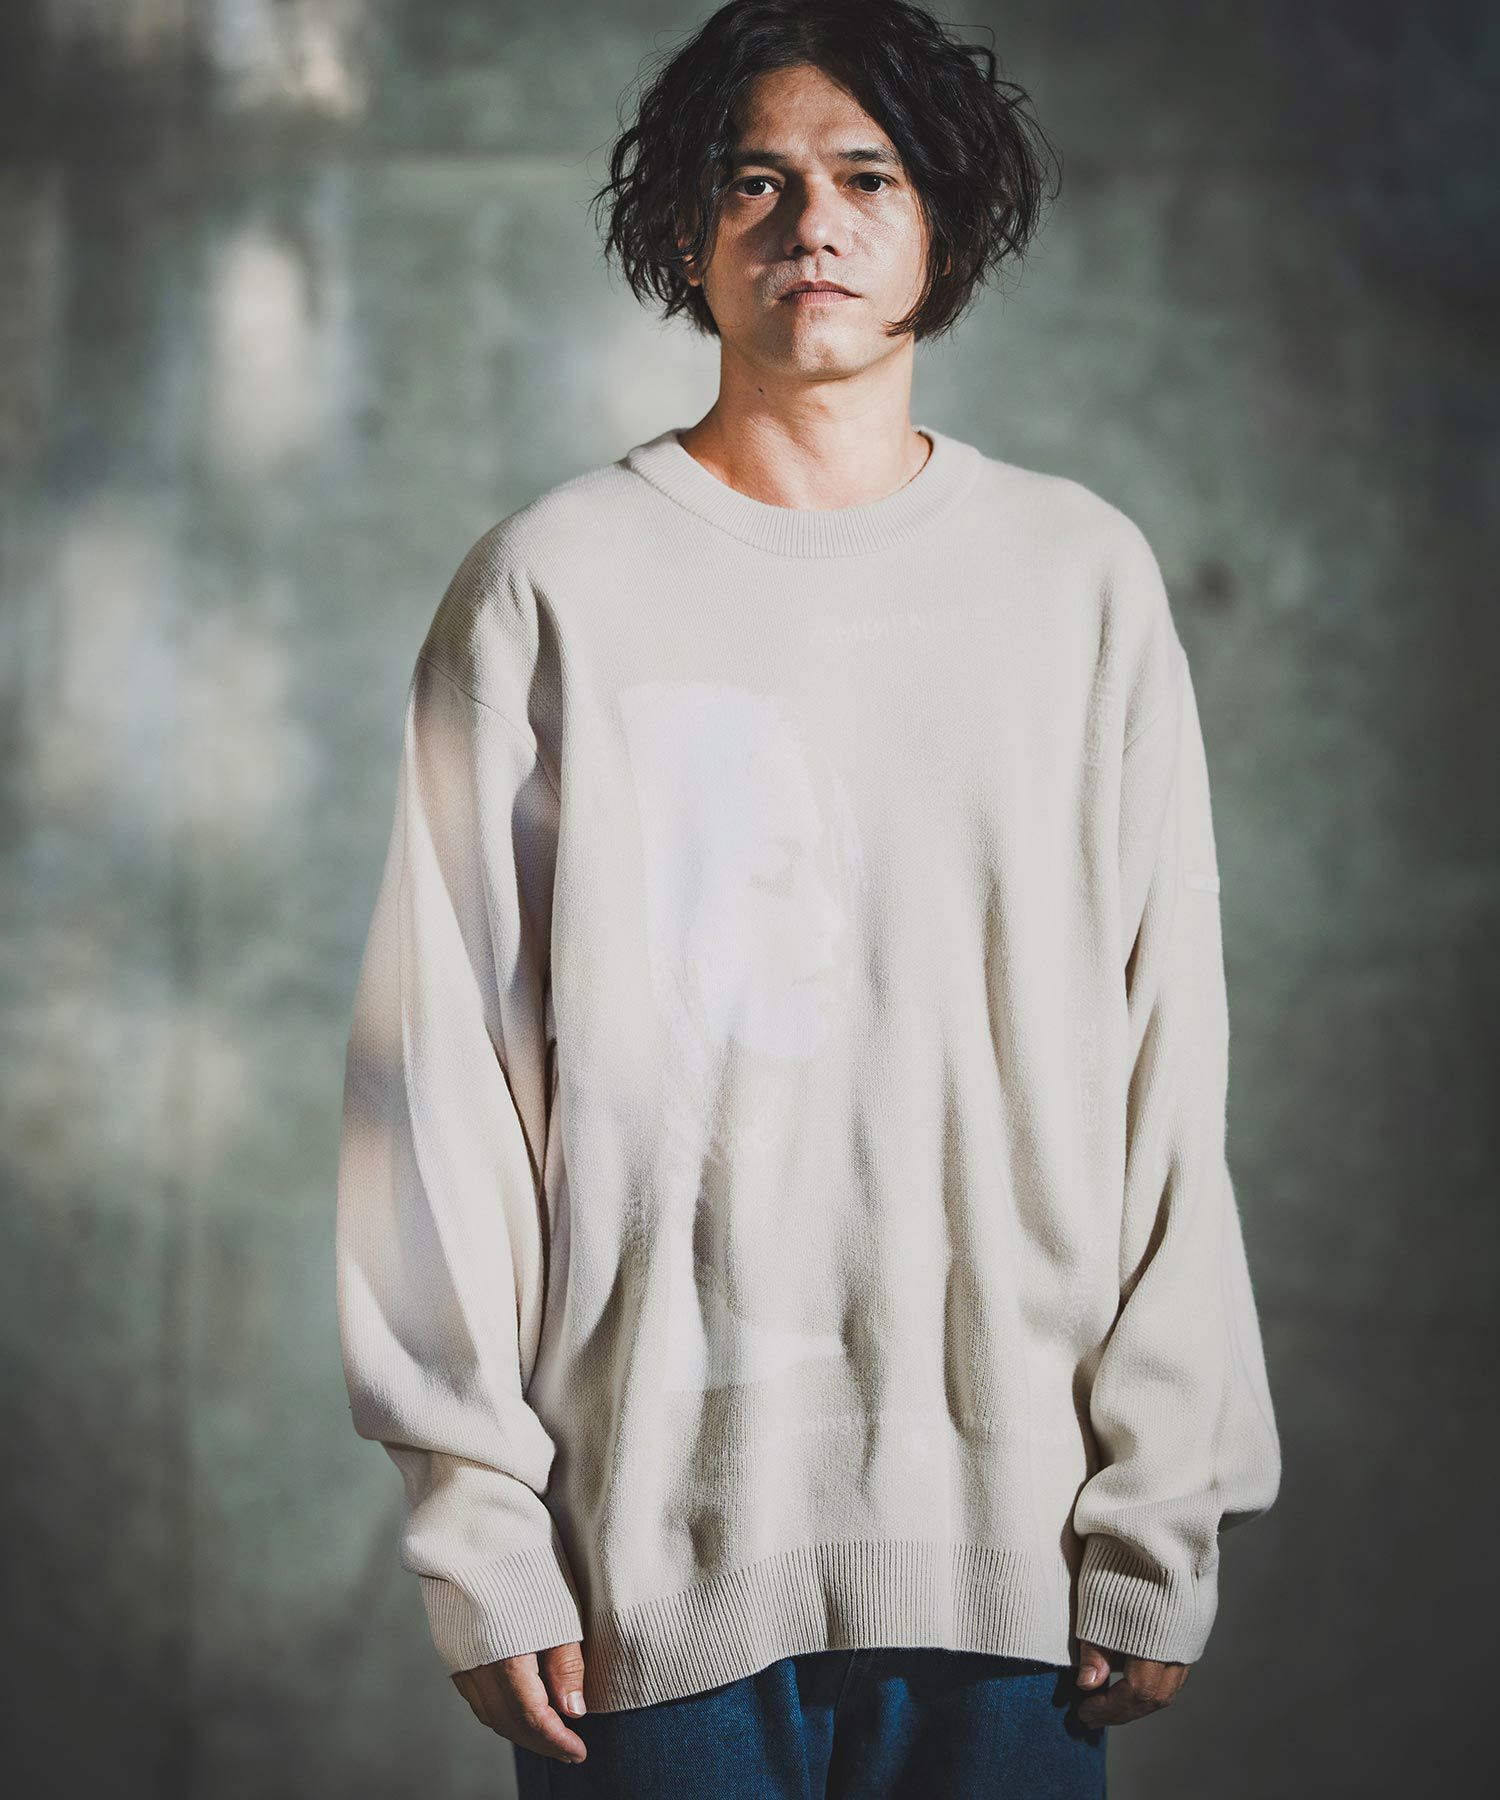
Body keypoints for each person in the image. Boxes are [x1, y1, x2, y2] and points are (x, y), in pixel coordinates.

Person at [334, 2, 1282, 1793]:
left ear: (946, 225)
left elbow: (1172, 1060)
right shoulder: (550, 585)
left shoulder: (1077, 580)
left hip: (1015, 1557)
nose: (812, 225)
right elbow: (436, 1079)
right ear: (687, 230)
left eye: (868, 177)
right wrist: (478, 1525)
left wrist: (1164, 1504)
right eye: (754, 181)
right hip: (643, 1568)